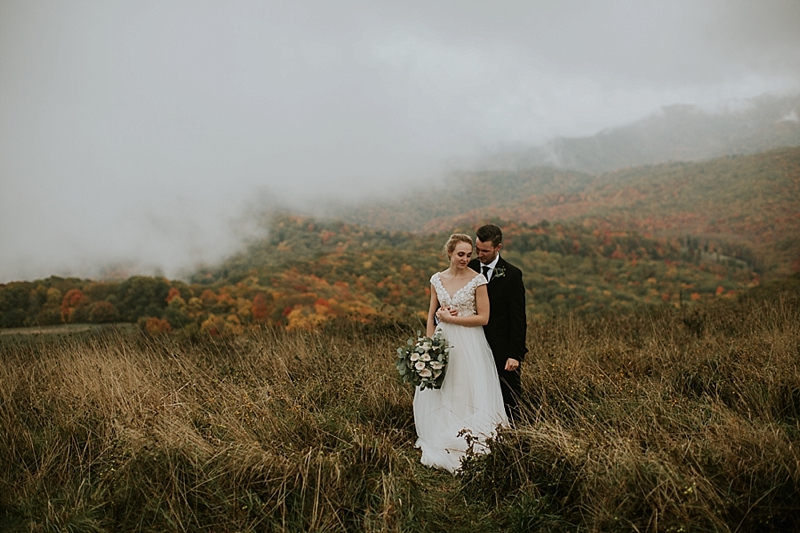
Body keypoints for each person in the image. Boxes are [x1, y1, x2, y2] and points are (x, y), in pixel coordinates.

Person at [413, 234, 508, 473]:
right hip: (443, 340)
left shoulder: (478, 281)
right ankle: (441, 429)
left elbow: (483, 318)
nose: (466, 259)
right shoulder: (437, 279)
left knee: (466, 385)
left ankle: (467, 434)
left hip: (469, 341)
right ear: (450, 253)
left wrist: (452, 318)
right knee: (445, 385)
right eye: (461, 254)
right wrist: (430, 343)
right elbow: (431, 314)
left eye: (469, 254)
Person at [468, 224, 528, 422]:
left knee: (507, 396)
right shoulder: (469, 269)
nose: (480, 254)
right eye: (478, 249)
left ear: (498, 247)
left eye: (485, 251)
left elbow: (518, 318)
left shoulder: (512, 274)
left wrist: (514, 354)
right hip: (473, 343)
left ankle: (513, 437)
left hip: (502, 349)